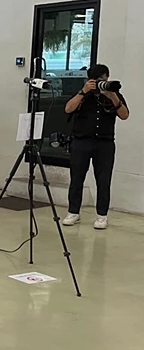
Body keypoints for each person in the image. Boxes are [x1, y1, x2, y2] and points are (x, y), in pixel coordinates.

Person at [62, 64, 129, 229]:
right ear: (89, 80)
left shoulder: (113, 93)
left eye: (103, 79)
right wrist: (83, 91)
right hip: (81, 141)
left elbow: (124, 115)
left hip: (105, 143)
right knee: (76, 178)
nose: (100, 83)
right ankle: (73, 212)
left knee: (104, 180)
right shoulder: (83, 94)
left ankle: (102, 215)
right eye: (96, 80)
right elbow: (68, 109)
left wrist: (112, 96)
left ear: (107, 78)